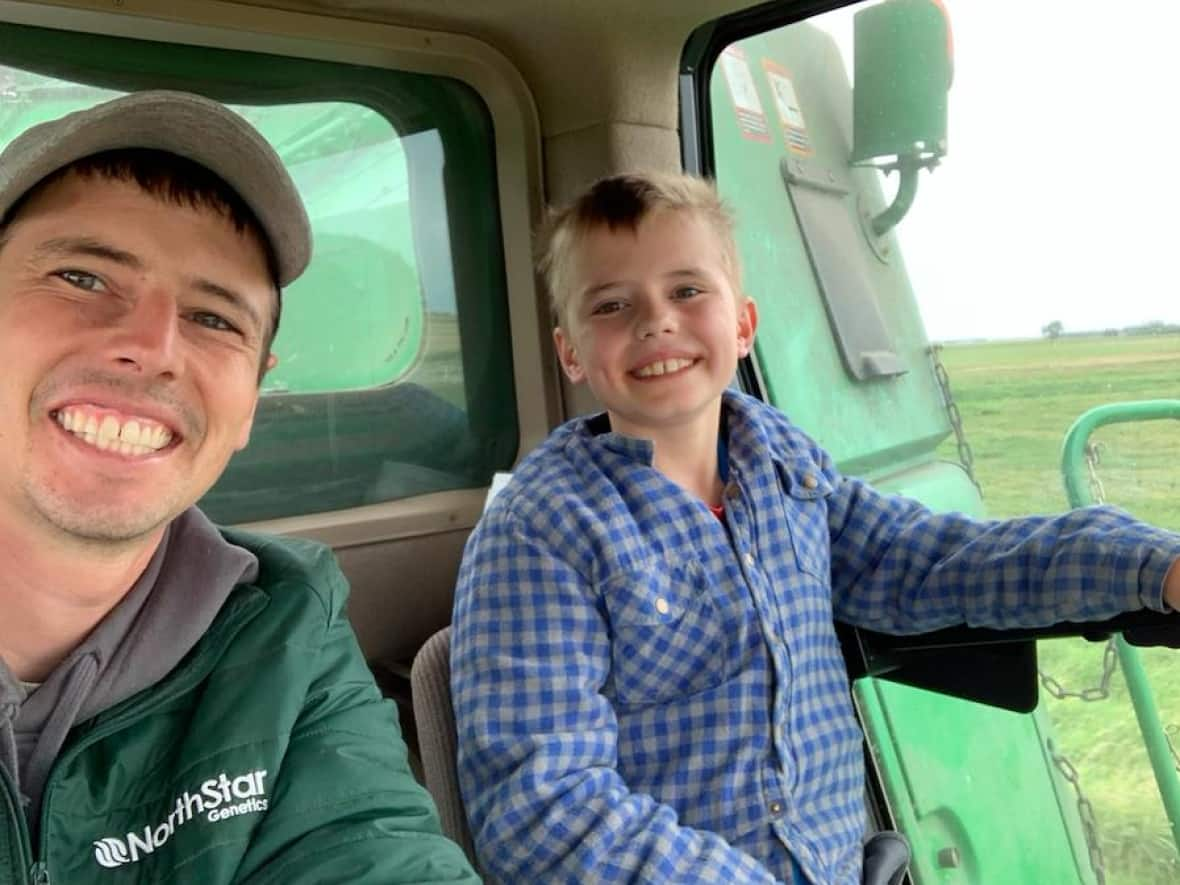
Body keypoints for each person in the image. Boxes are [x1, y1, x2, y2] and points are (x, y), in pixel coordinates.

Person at [449, 172, 1180, 884]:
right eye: (610, 305)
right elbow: (544, 809)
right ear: (571, 351)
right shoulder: (540, 531)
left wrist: (1149, 567)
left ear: (742, 324)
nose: (655, 321)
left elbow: (931, 560)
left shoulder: (780, 465)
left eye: (687, 290)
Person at [0, 91, 479, 883]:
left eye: (215, 319)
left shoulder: (285, 633)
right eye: (82, 276)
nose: (153, 348)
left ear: (253, 397)